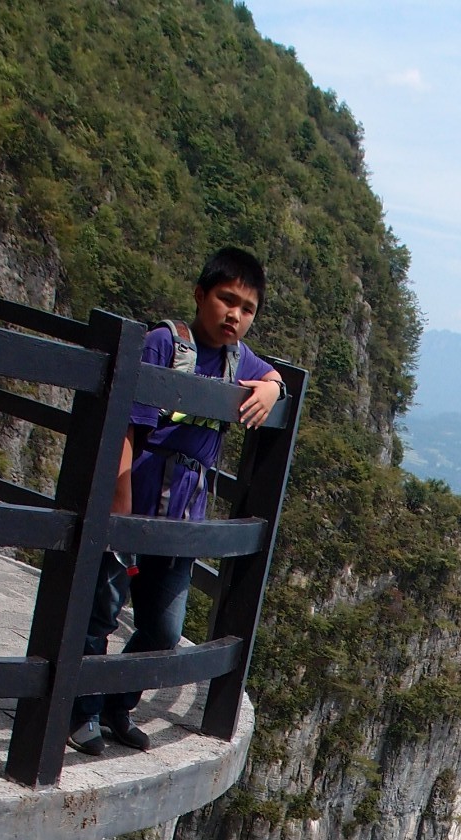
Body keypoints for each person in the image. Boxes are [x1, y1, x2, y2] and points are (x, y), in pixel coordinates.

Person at [70, 247, 285, 755]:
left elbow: (272, 373)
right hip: (136, 501)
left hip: (184, 517)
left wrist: (273, 387)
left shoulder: (238, 360)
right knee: (101, 613)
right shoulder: (164, 344)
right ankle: (80, 714)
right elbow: (126, 425)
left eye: (247, 308)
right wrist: (119, 503)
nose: (234, 314)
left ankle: (117, 706)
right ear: (200, 294)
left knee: (163, 629)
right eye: (225, 299)